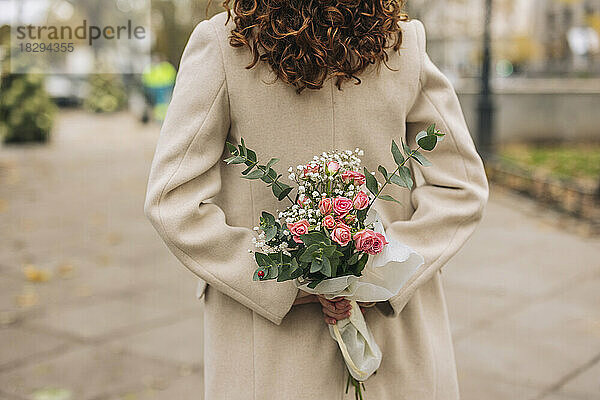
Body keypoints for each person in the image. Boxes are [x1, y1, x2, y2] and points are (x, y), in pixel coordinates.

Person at [144, 0, 488, 398]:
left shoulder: (224, 43)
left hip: (268, 352)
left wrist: (285, 276)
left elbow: (174, 200)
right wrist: (378, 270)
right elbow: (460, 186)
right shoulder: (400, 43)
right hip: (388, 336)